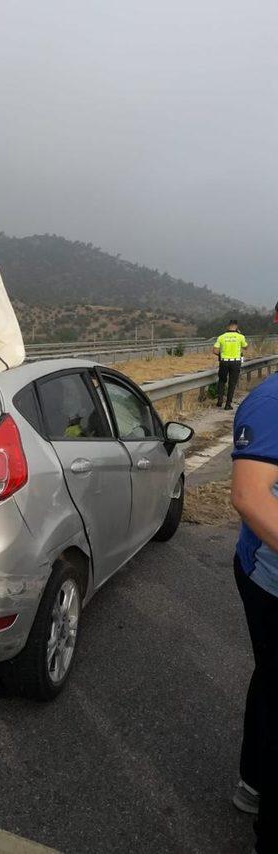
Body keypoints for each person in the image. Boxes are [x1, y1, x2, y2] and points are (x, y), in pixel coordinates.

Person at [230, 371, 278, 853]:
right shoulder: (273, 400)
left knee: (270, 683)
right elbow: (249, 495)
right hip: (271, 581)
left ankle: (253, 780)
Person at [213, 320, 248, 409]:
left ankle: (220, 401)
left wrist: (221, 355)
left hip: (224, 361)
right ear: (236, 327)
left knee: (222, 380)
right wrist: (240, 334)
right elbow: (246, 347)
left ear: (227, 326)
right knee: (232, 383)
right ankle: (228, 404)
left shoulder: (221, 337)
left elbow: (215, 350)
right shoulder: (240, 336)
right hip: (236, 362)